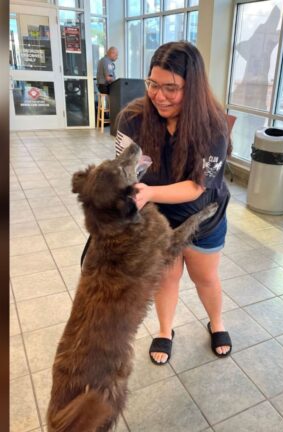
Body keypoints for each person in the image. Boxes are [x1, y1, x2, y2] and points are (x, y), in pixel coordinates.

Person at [114, 41, 232, 365]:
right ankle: (165, 330)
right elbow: (124, 172)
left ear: (192, 88)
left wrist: (149, 193)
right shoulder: (132, 119)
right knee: (165, 277)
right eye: (153, 84)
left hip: (203, 216)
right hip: (157, 222)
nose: (159, 95)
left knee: (205, 277)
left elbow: (197, 187)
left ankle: (217, 323)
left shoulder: (213, 126)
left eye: (171, 88)